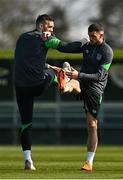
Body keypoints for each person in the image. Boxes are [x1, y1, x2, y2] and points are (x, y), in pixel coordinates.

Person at [43, 23, 113, 171]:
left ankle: (89, 162)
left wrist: (79, 74)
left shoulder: (107, 51)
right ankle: (64, 84)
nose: (91, 39)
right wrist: (51, 37)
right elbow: (65, 47)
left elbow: (100, 76)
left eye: (94, 36)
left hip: (95, 88)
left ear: (101, 35)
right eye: (89, 36)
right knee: (75, 83)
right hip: (81, 80)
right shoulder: (85, 44)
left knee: (92, 125)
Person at [14, 14, 61, 170]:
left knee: (26, 123)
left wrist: (45, 65)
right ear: (41, 26)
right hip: (37, 85)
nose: (52, 30)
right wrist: (84, 44)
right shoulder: (44, 38)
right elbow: (67, 47)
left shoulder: (22, 38)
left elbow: (28, 60)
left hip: (20, 87)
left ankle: (28, 159)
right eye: (50, 27)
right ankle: (64, 81)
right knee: (55, 74)